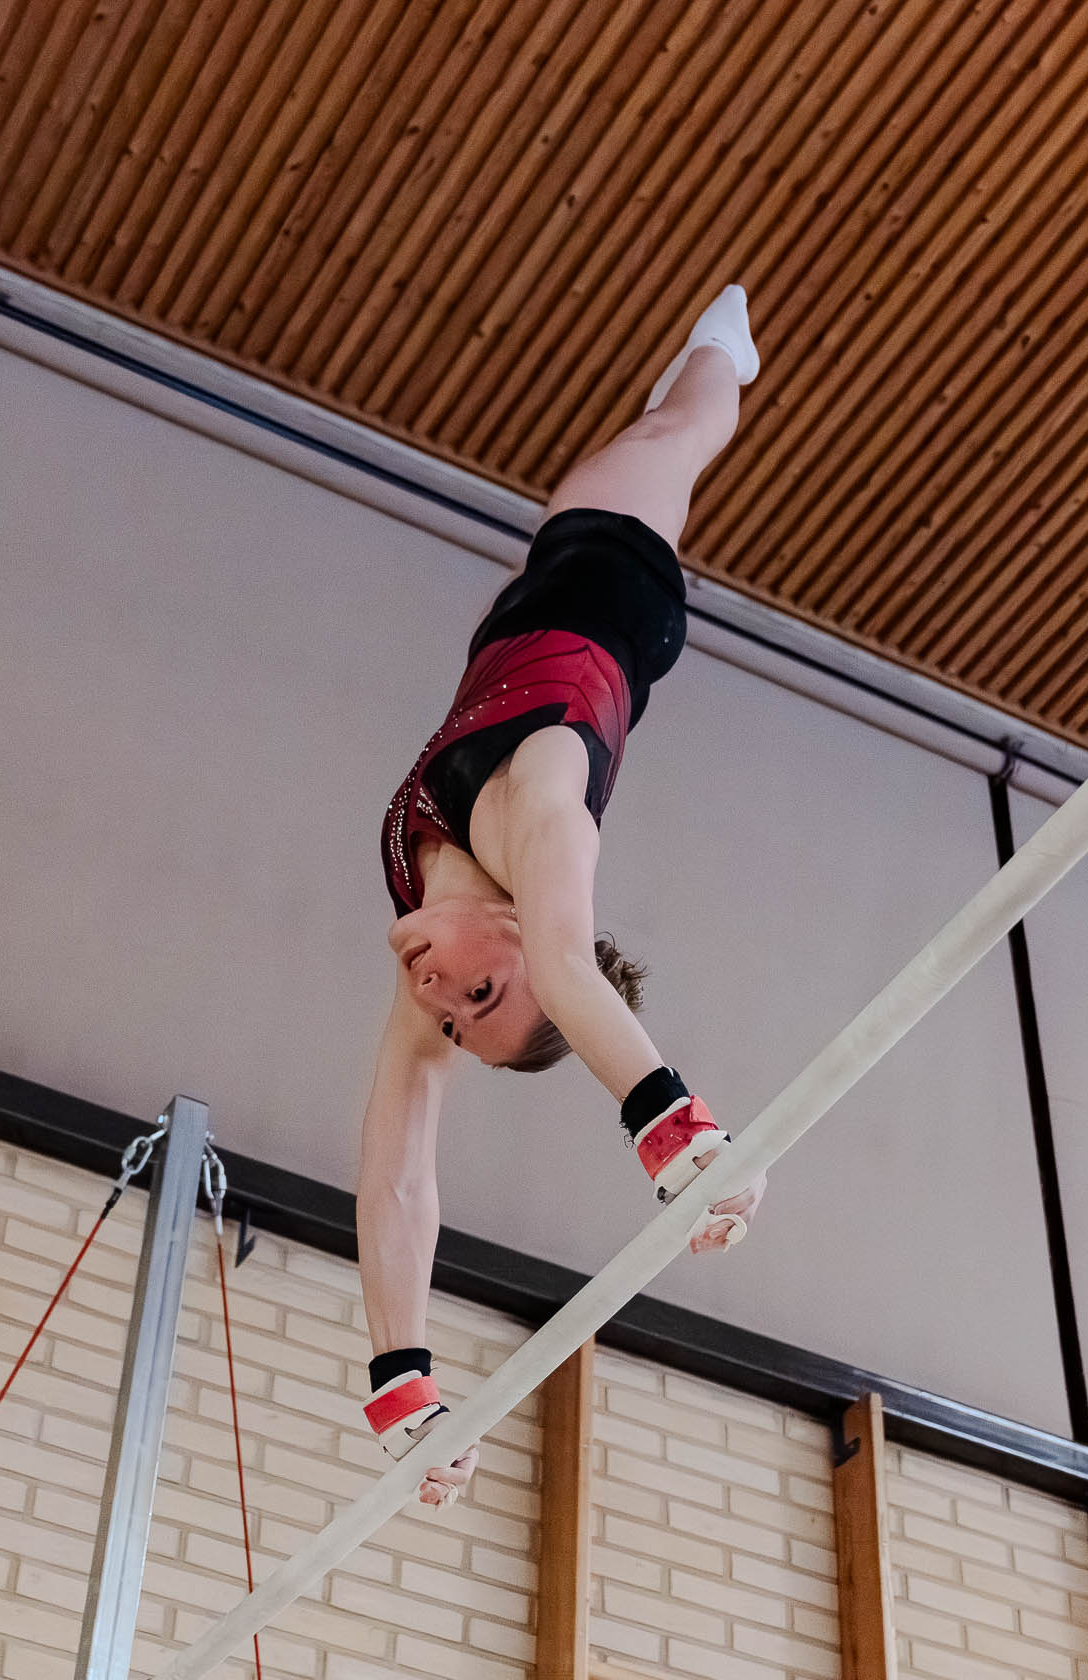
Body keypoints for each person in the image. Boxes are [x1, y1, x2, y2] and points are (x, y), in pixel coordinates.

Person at [359, 287, 767, 1505]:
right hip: (608, 581)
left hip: (521, 613)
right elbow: (571, 970)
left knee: (643, 439)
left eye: (452, 1022)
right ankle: (724, 351)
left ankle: (693, 377)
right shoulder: (541, 815)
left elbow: (399, 1170)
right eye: (480, 996)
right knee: (680, 435)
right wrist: (679, 1135)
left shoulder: (441, 933)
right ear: (524, 933)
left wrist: (402, 1382)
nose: (437, 998)